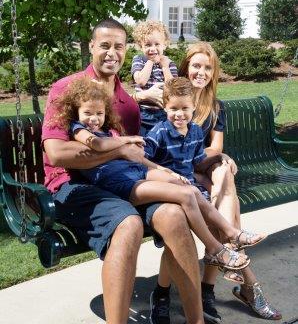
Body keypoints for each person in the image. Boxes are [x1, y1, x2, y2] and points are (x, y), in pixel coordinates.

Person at [42, 19, 204, 324]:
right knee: (127, 224)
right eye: (104, 45)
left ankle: (197, 320)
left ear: (126, 50)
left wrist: (206, 163)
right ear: (91, 47)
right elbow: (58, 153)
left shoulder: (128, 104)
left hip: (119, 183)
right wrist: (117, 150)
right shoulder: (66, 89)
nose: (111, 53)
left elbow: (134, 158)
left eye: (119, 46)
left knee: (174, 214)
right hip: (71, 187)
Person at [52, 75, 258, 274]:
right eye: (88, 113)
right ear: (76, 111)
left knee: (188, 187)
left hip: (136, 171)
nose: (94, 119)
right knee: (185, 195)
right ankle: (215, 249)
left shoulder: (108, 131)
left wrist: (161, 169)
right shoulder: (78, 129)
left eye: (99, 113)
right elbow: (99, 144)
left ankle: (232, 233)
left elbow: (138, 158)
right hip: (120, 184)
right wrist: (128, 140)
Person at [149, 42, 282, 324]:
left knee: (224, 174)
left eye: (208, 67)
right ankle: (245, 281)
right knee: (216, 193)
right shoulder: (171, 102)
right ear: (185, 67)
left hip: (204, 175)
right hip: (181, 175)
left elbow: (213, 148)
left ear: (214, 73)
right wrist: (212, 161)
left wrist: (217, 159)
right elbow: (170, 154)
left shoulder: (215, 107)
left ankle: (214, 279)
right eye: (196, 65)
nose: (201, 72)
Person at [131, 20, 178, 135]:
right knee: (145, 143)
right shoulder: (139, 60)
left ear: (165, 45)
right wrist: (151, 61)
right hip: (143, 112)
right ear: (140, 46)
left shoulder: (169, 63)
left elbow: (173, 88)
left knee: (163, 141)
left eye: (157, 44)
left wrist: (165, 67)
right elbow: (141, 81)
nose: (152, 48)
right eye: (148, 45)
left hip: (163, 113)